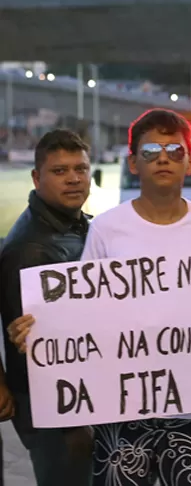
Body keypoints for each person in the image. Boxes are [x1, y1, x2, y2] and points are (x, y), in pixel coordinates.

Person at [10, 109, 191, 486]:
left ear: (190, 162)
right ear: (133, 162)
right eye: (150, 151)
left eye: (175, 149)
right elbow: (82, 310)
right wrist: (39, 328)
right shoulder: (107, 228)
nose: (163, 157)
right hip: (122, 407)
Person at [1, 129, 93, 486]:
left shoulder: (75, 225)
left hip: (72, 403)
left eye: (80, 169)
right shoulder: (33, 249)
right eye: (59, 171)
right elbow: (45, 352)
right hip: (56, 409)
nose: (73, 179)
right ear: (37, 177)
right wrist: (74, 424)